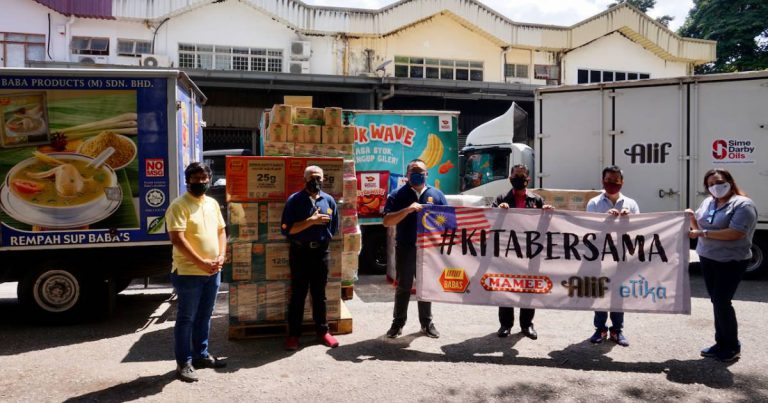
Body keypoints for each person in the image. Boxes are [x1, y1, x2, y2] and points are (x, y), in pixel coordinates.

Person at [165, 162, 227, 382]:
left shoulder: (212, 203)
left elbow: (221, 231)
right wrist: (201, 262)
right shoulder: (179, 205)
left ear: (209, 179)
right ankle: (184, 362)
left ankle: (201, 355)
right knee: (187, 318)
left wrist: (221, 255)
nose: (200, 182)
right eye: (195, 178)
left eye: (204, 178)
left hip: (213, 270)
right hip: (189, 272)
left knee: (205, 315)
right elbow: (177, 239)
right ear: (187, 180)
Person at [688, 168, 757, 362]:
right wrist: (691, 219)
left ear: (729, 181)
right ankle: (720, 343)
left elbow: (736, 233)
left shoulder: (743, 204)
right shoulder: (708, 202)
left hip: (731, 261)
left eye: (718, 182)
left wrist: (702, 233)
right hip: (707, 257)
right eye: (710, 184)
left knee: (721, 301)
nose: (715, 187)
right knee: (716, 301)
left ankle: (732, 346)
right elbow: (698, 229)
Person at [383, 159, 447, 338]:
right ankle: (398, 324)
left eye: (421, 171)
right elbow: (387, 221)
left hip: (429, 250)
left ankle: (426, 323)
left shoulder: (437, 195)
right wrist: (407, 210)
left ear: (427, 174)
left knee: (425, 287)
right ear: (407, 175)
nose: (417, 174)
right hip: (406, 248)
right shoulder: (397, 195)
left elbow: (448, 222)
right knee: (403, 286)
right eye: (413, 171)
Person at [281, 165, 340, 351]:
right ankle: (293, 335)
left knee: (319, 294)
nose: (316, 181)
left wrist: (322, 239)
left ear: (323, 179)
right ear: (304, 180)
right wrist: (311, 221)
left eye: (319, 178)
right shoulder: (294, 200)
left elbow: (334, 227)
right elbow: (288, 230)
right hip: (300, 253)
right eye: (312, 178)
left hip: (321, 254)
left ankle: (323, 332)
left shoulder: (328, 201)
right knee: (298, 295)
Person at [493, 164, 551, 340]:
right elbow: (490, 220)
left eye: (522, 176)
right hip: (508, 251)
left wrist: (547, 213)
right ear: (510, 178)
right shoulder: (501, 198)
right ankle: (505, 324)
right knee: (506, 286)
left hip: (530, 252)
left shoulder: (537, 200)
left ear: (528, 179)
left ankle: (527, 324)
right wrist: (498, 210)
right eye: (515, 176)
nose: (518, 179)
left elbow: (545, 225)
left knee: (528, 287)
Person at [585, 165, 639, 347]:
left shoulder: (631, 204)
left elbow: (639, 230)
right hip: (600, 256)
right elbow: (589, 229)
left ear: (622, 182)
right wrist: (605, 220)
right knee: (600, 292)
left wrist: (629, 219)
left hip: (622, 257)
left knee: (618, 294)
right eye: (608, 180)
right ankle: (600, 328)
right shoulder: (594, 203)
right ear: (603, 181)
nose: (612, 184)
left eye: (616, 181)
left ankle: (617, 330)